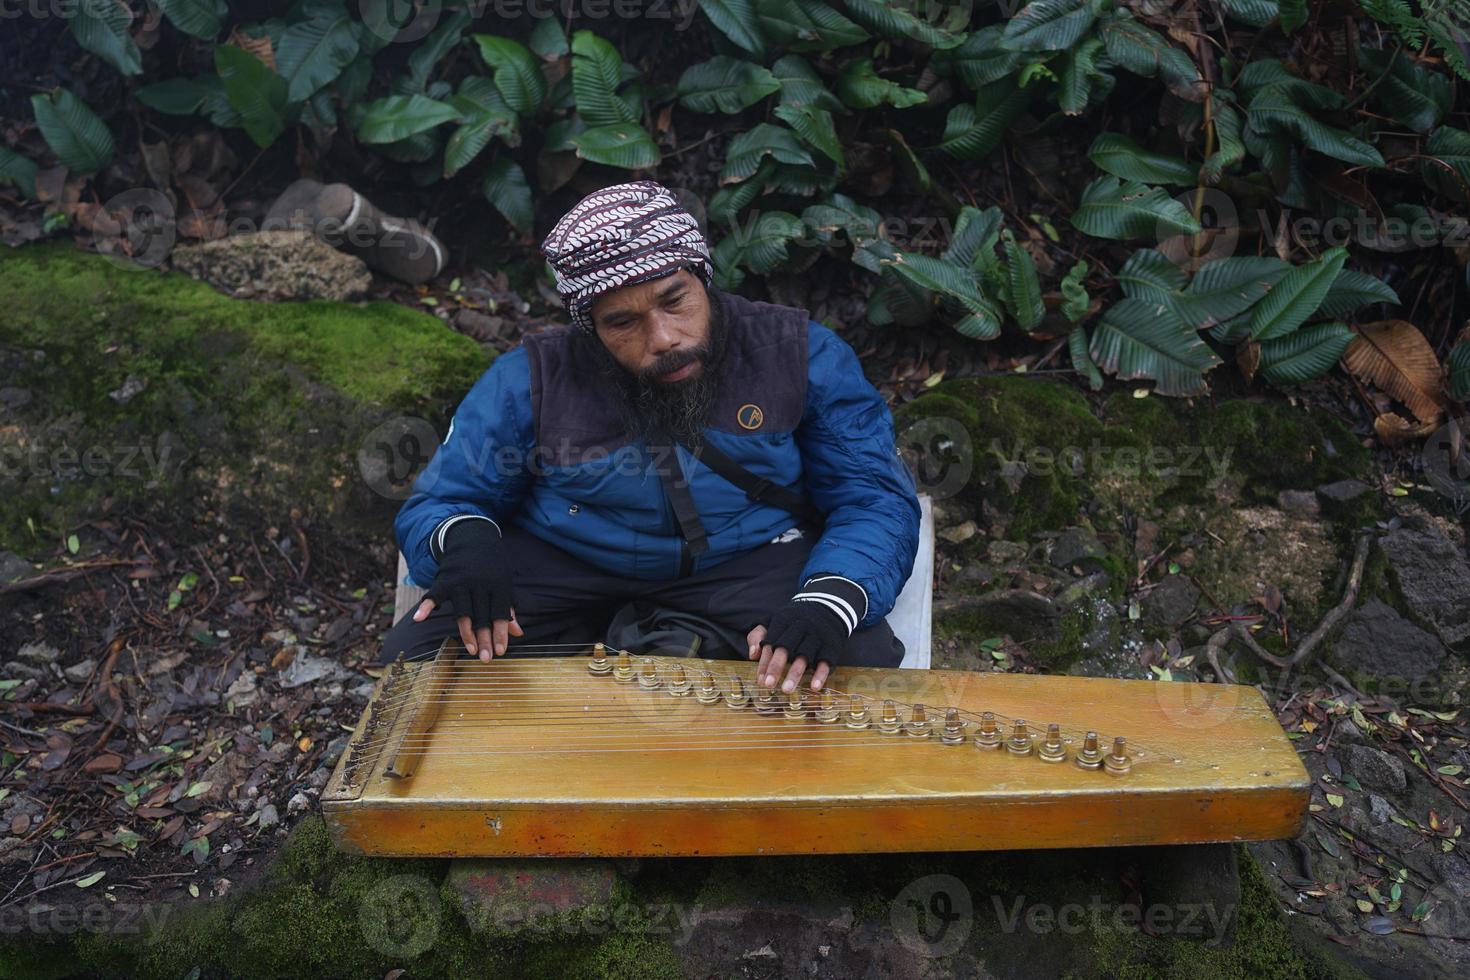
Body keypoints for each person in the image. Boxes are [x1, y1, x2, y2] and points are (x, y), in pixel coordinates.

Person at [380, 180, 920, 693]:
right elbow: (445, 498)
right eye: (622, 322)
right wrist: (467, 543)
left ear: (702, 277)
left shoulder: (799, 354)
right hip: (570, 563)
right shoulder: (529, 380)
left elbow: (871, 497)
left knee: (852, 659)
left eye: (674, 301)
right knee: (419, 659)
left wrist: (828, 602)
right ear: (589, 328)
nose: (662, 338)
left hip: (745, 557)